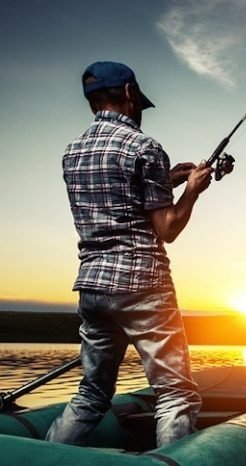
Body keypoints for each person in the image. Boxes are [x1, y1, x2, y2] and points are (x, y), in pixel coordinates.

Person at [46, 61, 212, 447]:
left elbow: (112, 198)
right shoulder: (144, 147)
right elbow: (167, 228)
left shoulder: (72, 153)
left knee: (91, 395)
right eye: (138, 99)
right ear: (127, 94)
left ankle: (43, 457)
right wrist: (191, 191)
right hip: (142, 285)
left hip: (92, 286)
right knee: (176, 393)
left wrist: (163, 180)